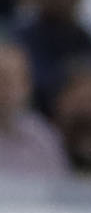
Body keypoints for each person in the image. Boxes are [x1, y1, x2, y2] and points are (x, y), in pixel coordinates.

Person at [0, 36, 67, 175]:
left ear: (27, 86)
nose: (6, 88)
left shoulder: (42, 136)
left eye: (14, 79)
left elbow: (60, 191)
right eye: (2, 77)